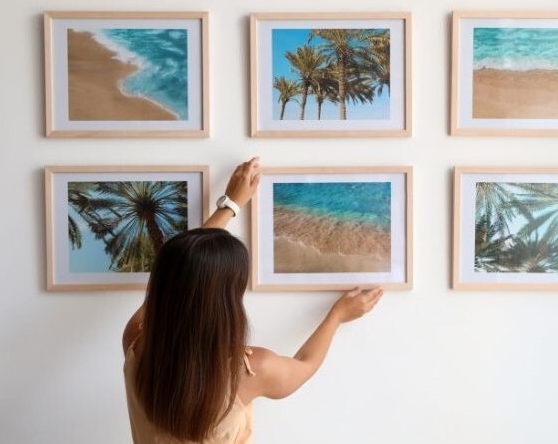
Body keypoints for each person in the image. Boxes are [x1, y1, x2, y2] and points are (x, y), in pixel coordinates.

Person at [122, 157, 384, 444]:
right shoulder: (250, 370)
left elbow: (182, 272)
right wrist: (337, 316)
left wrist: (230, 207)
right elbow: (304, 365)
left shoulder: (137, 343)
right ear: (227, 299)